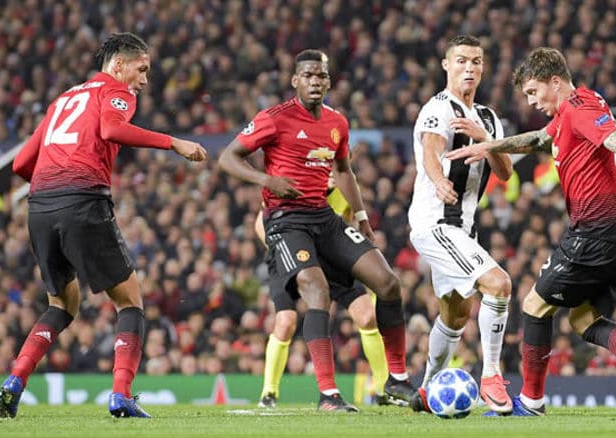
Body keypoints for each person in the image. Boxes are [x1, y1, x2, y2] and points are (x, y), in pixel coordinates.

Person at [447, 47, 616, 416]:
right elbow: (540, 140)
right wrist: (490, 145)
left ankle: (531, 402)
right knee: (583, 320)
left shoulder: (579, 110)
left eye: (534, 92)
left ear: (555, 82)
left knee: (533, 306)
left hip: (596, 234)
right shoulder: (576, 107)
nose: (531, 101)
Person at [0, 33, 207, 419]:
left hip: (40, 207)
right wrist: (173, 142)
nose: (144, 79)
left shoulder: (64, 99)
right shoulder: (115, 91)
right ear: (118, 65)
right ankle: (121, 394)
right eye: (141, 69)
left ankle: (14, 381)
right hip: (82, 201)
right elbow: (111, 129)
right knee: (130, 302)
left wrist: (53, 184)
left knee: (61, 305)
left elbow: (22, 164)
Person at [219, 49, 413, 412]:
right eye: (308, 75)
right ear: (295, 80)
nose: (315, 81)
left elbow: (344, 170)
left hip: (324, 217)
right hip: (285, 219)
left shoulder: (337, 122)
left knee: (388, 283)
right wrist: (267, 180)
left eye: (321, 76)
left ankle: (397, 380)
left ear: (329, 81)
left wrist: (362, 216)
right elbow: (228, 157)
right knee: (316, 291)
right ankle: (327, 394)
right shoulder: (274, 118)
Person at [406, 35, 514, 415]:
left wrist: (487, 140)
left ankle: (425, 390)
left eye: (476, 61)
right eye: (462, 60)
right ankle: (492, 377)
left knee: (455, 315)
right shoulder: (438, 108)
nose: (470, 68)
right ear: (447, 65)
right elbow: (431, 150)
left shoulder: (488, 118)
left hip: (463, 228)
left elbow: (505, 172)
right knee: (499, 284)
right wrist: (438, 180)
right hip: (436, 222)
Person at [255, 176, 408, 408]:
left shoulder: (347, 185)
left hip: (329, 256)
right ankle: (269, 392)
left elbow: (347, 223)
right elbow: (261, 222)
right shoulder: (301, 176)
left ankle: (384, 389)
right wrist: (285, 249)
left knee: (367, 316)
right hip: (287, 254)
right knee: (286, 322)